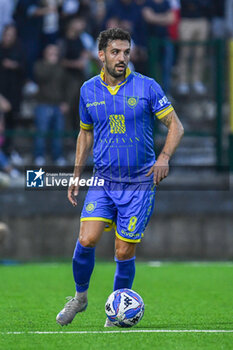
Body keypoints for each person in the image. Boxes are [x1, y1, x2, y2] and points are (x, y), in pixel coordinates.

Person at [56, 28, 184, 327]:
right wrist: (76, 175)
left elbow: (176, 126)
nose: (122, 58)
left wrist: (163, 157)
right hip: (103, 180)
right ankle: (80, 297)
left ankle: (115, 313)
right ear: (101, 55)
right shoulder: (88, 90)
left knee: (123, 249)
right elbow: (85, 134)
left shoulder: (147, 87)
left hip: (140, 182)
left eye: (126, 52)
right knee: (86, 239)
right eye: (115, 52)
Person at [34, 44, 68, 166]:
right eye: (50, 52)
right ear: (45, 53)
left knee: (58, 133)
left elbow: (65, 86)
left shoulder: (61, 67)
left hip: (58, 105)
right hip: (43, 104)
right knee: (41, 132)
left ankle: (57, 156)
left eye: (55, 52)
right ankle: (39, 156)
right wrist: (51, 64)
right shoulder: (39, 65)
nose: (53, 54)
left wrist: (65, 102)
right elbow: (43, 77)